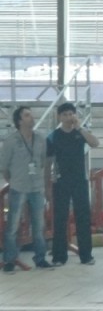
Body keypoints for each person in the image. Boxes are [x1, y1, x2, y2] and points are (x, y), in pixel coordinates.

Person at [45, 102, 100, 266]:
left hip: (79, 180)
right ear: (59, 117)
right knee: (60, 218)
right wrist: (47, 185)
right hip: (61, 181)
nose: (69, 117)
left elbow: (95, 143)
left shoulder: (80, 133)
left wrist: (80, 127)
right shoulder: (53, 136)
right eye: (65, 115)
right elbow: (47, 163)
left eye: (71, 114)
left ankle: (86, 255)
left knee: (83, 216)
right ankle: (59, 256)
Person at [2, 106, 53, 272]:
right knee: (13, 225)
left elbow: (43, 161)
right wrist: (14, 180)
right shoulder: (11, 141)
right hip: (18, 187)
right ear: (19, 121)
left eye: (32, 114)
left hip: (37, 187)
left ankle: (40, 258)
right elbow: (4, 166)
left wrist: (45, 185)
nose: (32, 118)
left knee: (39, 225)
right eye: (27, 115)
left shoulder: (40, 139)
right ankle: (10, 259)